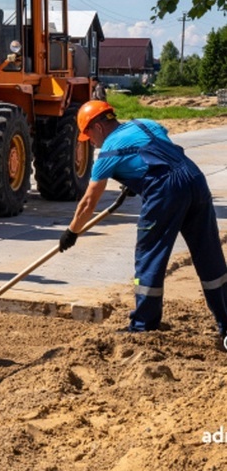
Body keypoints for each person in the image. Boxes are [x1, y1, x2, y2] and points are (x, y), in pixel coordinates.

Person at [59, 100, 227, 351]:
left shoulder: (109, 151)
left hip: (165, 191)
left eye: (89, 136)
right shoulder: (146, 124)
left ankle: (143, 325)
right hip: (194, 179)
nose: (90, 143)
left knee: (149, 255)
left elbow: (87, 202)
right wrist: (135, 174)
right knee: (209, 256)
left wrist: (72, 232)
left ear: (98, 127)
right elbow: (159, 152)